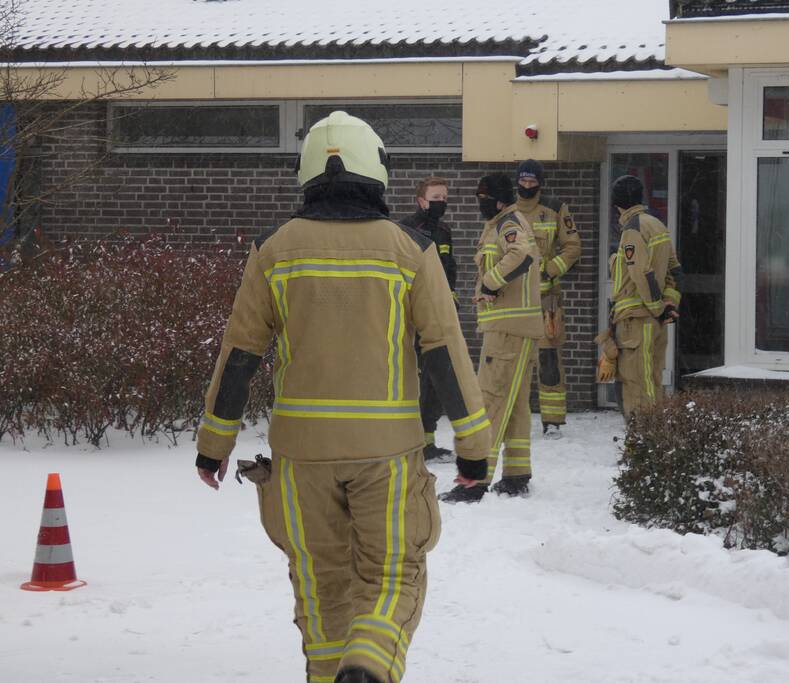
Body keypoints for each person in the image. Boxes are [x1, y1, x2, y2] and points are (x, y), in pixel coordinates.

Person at [195, 111, 490, 683]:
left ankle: (332, 673)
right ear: (376, 170)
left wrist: (214, 444)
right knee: (394, 575)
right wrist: (474, 447)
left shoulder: (274, 250)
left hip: (300, 458)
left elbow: (239, 355)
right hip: (388, 454)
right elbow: (445, 353)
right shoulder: (411, 250)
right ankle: (370, 663)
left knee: (320, 582)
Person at [440, 173, 542, 503]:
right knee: (515, 404)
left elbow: (522, 255)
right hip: (517, 328)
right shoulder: (503, 222)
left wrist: (489, 283)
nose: (479, 202)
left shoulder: (508, 224)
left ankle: (475, 480)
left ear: (497, 199)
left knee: (490, 400)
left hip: (507, 330)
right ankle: (516, 474)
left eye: (482, 197)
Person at [596, 174, 682, 419]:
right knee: (653, 381)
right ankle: (655, 441)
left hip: (637, 321)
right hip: (654, 323)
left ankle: (643, 442)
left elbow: (641, 273)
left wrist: (657, 307)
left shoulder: (632, 230)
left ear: (618, 205)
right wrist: (669, 303)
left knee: (636, 384)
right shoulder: (658, 226)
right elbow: (674, 270)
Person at [511, 160, 581, 440]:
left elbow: (573, 247)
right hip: (513, 300)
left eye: (532, 182)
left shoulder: (555, 208)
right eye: (523, 181)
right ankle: (512, 417)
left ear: (540, 182)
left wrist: (550, 269)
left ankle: (553, 421)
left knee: (549, 361)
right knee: (511, 361)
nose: (527, 186)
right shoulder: (507, 209)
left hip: (545, 301)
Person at [398, 176, 458, 460]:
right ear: (421, 200)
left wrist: (451, 303)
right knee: (413, 377)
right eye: (436, 198)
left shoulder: (444, 231)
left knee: (435, 378)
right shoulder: (405, 229)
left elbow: (450, 271)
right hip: (412, 316)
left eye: (444, 198)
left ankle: (427, 441)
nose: (441, 203)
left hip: (439, 316)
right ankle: (407, 441)